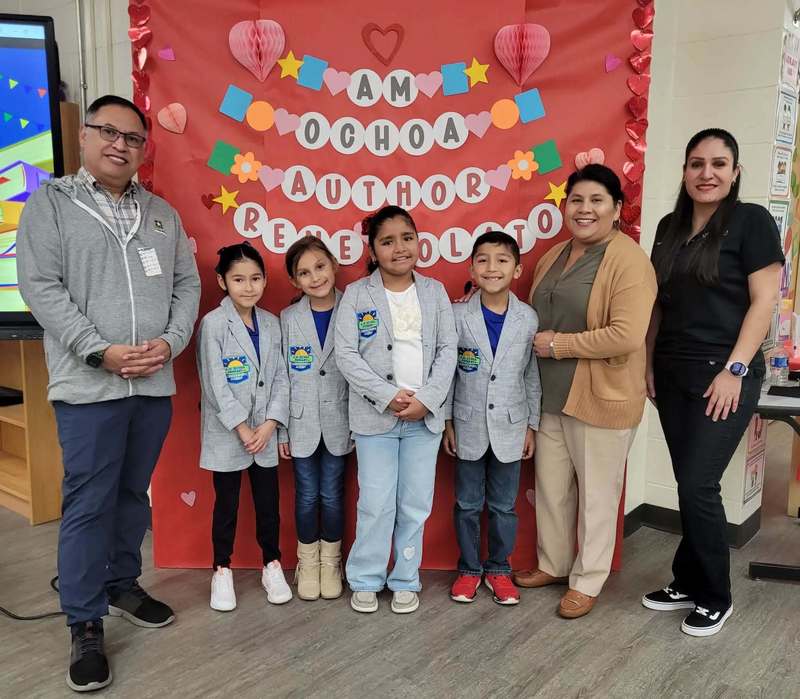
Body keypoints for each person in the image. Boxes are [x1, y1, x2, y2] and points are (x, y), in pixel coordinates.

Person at [16, 94, 200, 692]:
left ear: (144, 149)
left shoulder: (162, 216)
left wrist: (169, 343)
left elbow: (187, 284)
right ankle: (84, 619)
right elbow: (40, 287)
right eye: (108, 132)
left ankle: (122, 582)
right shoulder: (50, 205)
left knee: (132, 494)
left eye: (133, 138)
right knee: (89, 501)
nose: (120, 145)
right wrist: (99, 350)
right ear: (86, 137)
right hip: (87, 384)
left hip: (153, 380)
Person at [641, 129, 783, 637]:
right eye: (697, 163)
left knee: (698, 483)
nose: (708, 173)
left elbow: (764, 302)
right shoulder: (667, 227)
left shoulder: (751, 222)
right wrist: (647, 359)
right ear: (684, 171)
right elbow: (658, 302)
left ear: (736, 171)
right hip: (672, 371)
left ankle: (715, 596)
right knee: (689, 480)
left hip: (725, 374)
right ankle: (685, 579)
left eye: (719, 164)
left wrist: (736, 370)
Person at [512, 164, 657, 619]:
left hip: (601, 397)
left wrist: (560, 345)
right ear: (564, 206)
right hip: (551, 396)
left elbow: (627, 334)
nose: (585, 209)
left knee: (597, 494)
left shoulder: (628, 258)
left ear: (617, 209)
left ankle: (588, 579)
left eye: (597, 200)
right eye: (576, 200)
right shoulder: (554, 255)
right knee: (551, 489)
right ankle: (553, 564)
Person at [335, 205, 457, 615]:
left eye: (407, 238)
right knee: (375, 501)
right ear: (372, 250)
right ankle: (366, 578)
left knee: (415, 503)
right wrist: (388, 396)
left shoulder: (434, 292)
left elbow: (447, 351)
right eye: (387, 241)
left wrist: (427, 399)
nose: (399, 248)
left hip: (424, 419)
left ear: (418, 242)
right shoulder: (356, 295)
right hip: (375, 419)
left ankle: (405, 577)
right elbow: (347, 355)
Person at [443, 231, 541, 606]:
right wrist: (448, 422)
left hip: (512, 427)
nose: (491, 267)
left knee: (504, 506)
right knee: (467, 504)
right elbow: (447, 372)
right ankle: (469, 569)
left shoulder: (527, 318)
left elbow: (531, 376)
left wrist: (531, 425)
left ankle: (498, 568)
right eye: (482, 259)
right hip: (466, 425)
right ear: (471, 267)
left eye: (501, 260)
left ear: (517, 269)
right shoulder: (457, 316)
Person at [197, 243, 291, 612]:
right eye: (238, 279)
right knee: (228, 505)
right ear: (222, 281)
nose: (248, 287)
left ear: (265, 280)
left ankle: (272, 564)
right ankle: (222, 569)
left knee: (269, 504)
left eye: (255, 278)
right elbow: (215, 383)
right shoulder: (213, 324)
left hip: (264, 433)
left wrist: (269, 425)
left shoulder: (272, 322)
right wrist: (241, 428)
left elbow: (282, 376)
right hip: (229, 433)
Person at [278, 236, 352, 601]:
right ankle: (307, 562)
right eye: (304, 273)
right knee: (307, 495)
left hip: (342, 420)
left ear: (334, 265)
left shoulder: (354, 307)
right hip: (301, 422)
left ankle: (330, 562)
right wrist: (280, 431)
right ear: (295, 281)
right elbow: (280, 377)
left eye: (320, 267)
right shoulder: (289, 318)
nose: (315, 277)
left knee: (332, 495)